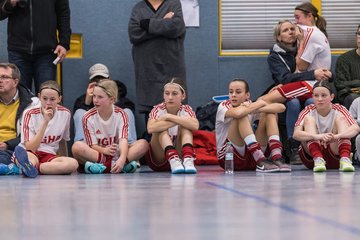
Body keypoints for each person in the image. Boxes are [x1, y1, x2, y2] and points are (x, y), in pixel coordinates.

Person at [267, 19, 331, 163]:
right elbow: (285, 78)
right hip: (288, 91)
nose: (290, 32)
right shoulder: (274, 56)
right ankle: (293, 147)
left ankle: (315, 144)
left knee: (311, 102)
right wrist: (312, 74)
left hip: (308, 89)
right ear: (279, 37)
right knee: (294, 103)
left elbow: (321, 68)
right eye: (285, 30)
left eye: (292, 29)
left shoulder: (306, 46)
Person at [128, 0, 186, 136]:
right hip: (147, 69)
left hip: (172, 66)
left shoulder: (174, 4)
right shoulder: (139, 8)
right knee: (151, 117)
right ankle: (152, 154)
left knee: (174, 109)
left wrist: (147, 24)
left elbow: (177, 27)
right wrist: (162, 23)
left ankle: (174, 152)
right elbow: (134, 33)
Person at [71, 79, 148, 174]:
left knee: (143, 144)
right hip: (99, 152)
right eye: (94, 96)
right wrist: (104, 150)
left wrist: (122, 158)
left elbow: (123, 139)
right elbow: (92, 145)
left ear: (112, 99)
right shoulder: (88, 117)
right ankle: (119, 167)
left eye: (100, 97)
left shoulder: (121, 114)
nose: (95, 100)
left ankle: (105, 167)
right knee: (76, 147)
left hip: (117, 152)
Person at [216, 79, 289, 173]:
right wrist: (260, 103)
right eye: (231, 92)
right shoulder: (224, 105)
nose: (233, 95)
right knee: (241, 116)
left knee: (270, 113)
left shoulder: (250, 105)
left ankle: (277, 157)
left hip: (251, 156)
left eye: (238, 92)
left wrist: (254, 108)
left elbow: (281, 108)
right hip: (229, 158)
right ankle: (260, 158)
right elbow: (238, 113)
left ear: (247, 95)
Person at [0, 0, 71, 93]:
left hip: (46, 52)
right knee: (21, 95)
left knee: (46, 94)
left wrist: (64, 43)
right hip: (18, 51)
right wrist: (10, 3)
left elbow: (63, 13)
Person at [14, 80, 78, 178]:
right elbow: (30, 147)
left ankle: (31, 168)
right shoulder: (29, 113)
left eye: (52, 99)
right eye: (44, 98)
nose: (48, 103)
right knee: (29, 158)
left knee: (73, 164)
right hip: (30, 152)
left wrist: (64, 160)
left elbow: (62, 141)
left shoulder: (65, 113)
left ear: (59, 99)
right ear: (39, 97)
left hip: (49, 155)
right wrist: (45, 122)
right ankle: (28, 165)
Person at [293, 80, 359, 172]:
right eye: (316, 96)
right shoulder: (308, 110)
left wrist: (336, 136)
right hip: (311, 158)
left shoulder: (339, 109)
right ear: (312, 97)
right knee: (308, 120)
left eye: (324, 95)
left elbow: (355, 128)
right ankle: (318, 159)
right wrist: (317, 136)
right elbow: (296, 134)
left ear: (331, 97)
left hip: (335, 154)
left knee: (341, 119)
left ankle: (345, 159)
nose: (320, 99)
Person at [73, 63, 137, 144]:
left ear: (109, 80)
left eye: (102, 79)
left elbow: (127, 108)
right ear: (90, 82)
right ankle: (83, 145)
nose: (99, 82)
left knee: (127, 111)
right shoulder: (82, 99)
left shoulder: (119, 94)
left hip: (116, 139)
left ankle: (128, 144)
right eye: (95, 80)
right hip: (95, 141)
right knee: (79, 112)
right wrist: (87, 103)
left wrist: (108, 99)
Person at [146, 77, 198, 174]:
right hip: (159, 158)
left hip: (180, 158)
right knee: (160, 128)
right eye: (167, 93)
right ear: (163, 95)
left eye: (174, 94)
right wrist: (180, 120)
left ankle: (188, 159)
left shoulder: (186, 109)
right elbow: (150, 128)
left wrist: (169, 117)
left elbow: (195, 125)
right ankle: (172, 158)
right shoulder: (158, 109)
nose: (170, 97)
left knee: (186, 127)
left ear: (183, 96)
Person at [0, 62, 38, 175]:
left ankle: (15, 166)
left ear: (15, 82)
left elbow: (33, 134)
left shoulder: (33, 104)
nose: (0, 80)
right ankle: (14, 169)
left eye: (4, 77)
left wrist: (8, 144)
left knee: (4, 157)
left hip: (14, 148)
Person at [335, 24, 360, 109]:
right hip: (352, 97)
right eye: (359, 34)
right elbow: (340, 84)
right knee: (355, 99)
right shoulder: (344, 59)